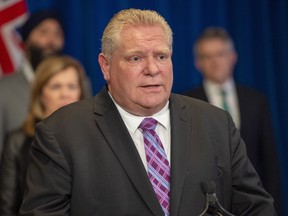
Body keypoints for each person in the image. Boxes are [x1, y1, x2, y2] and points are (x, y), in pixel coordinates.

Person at [19, 9, 276, 215]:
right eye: (135, 58)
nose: (153, 69)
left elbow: (256, 208)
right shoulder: (61, 134)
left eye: (162, 56)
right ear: (105, 66)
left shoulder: (215, 123)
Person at [183, 27, 283, 215]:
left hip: (252, 203)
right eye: (207, 56)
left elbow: (269, 159)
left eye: (220, 54)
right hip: (206, 205)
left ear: (233, 56)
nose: (215, 62)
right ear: (198, 63)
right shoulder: (187, 104)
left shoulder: (256, 100)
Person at [0, 55, 87, 215]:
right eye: (55, 87)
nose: (65, 94)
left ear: (81, 92)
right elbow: (7, 204)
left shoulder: (95, 136)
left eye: (71, 86)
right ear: (40, 94)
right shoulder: (18, 141)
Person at [0, 10, 92, 160]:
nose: (51, 40)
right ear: (26, 39)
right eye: (43, 32)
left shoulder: (82, 81)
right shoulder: (3, 88)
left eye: (57, 34)